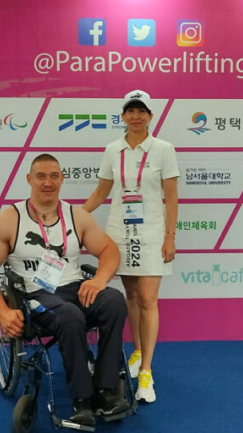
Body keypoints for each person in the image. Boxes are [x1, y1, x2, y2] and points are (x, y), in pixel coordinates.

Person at [0, 154, 130, 427]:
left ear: (62, 178)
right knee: (69, 315)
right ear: (29, 179)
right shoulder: (7, 220)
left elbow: (108, 250)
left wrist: (99, 280)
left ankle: (105, 390)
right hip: (35, 295)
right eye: (41, 176)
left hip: (74, 288)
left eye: (54, 176)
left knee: (115, 300)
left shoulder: (77, 216)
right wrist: (3, 312)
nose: (48, 182)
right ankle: (82, 399)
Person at [83, 90, 180, 404]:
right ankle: (137, 350)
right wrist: (75, 216)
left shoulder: (164, 149)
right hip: (121, 231)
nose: (136, 116)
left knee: (149, 299)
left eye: (141, 111)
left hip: (152, 232)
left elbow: (171, 197)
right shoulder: (113, 150)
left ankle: (146, 372)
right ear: (123, 116)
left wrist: (170, 236)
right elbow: (101, 191)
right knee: (132, 296)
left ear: (150, 116)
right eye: (130, 111)